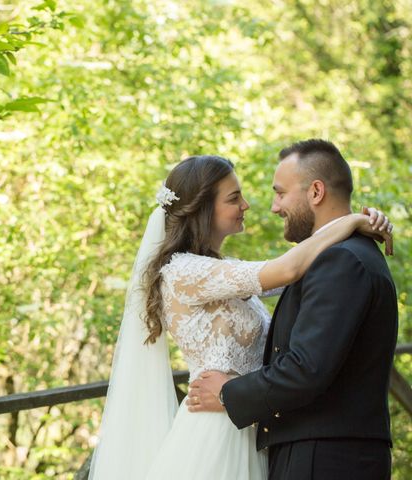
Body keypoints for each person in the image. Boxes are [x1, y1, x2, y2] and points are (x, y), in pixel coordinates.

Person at [88, 152, 393, 480]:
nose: (247, 205)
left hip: (252, 425)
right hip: (215, 429)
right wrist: (351, 223)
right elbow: (289, 268)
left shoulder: (227, 272)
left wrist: (355, 225)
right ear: (203, 208)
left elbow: (300, 273)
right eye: (234, 198)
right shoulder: (183, 272)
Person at [189, 140, 398, 480]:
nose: (273, 207)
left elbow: (306, 368)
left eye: (281, 193)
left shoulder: (341, 261)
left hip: (328, 458)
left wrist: (227, 393)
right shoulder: (338, 256)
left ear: (316, 191)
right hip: (322, 451)